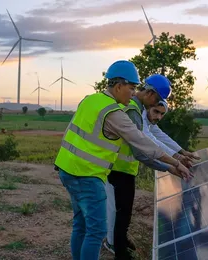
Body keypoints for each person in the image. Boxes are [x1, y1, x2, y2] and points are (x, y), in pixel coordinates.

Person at [54, 60, 193, 260]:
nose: (134, 92)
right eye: (131, 87)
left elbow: (71, 132)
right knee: (97, 231)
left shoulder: (89, 100)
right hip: (86, 174)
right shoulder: (114, 113)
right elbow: (143, 143)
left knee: (81, 225)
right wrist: (175, 163)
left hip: (66, 169)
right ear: (119, 86)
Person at [104, 74, 195, 259]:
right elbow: (145, 144)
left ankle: (119, 240)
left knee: (124, 210)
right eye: (157, 101)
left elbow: (156, 135)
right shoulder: (133, 111)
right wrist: (174, 162)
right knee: (120, 211)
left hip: (125, 168)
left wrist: (180, 152)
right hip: (117, 168)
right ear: (150, 93)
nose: (157, 106)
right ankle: (118, 250)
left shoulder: (140, 111)